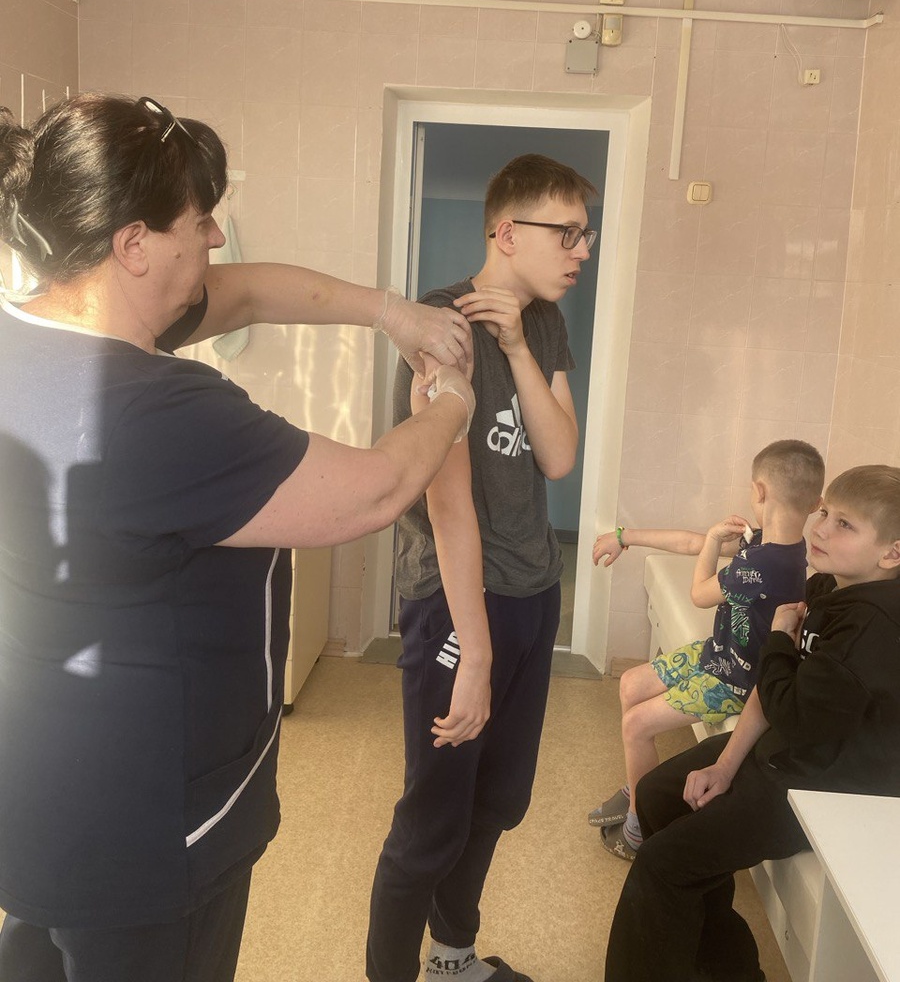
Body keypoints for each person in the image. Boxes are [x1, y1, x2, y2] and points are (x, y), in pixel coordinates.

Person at [0, 93, 475, 982]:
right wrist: (451, 401)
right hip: (152, 834)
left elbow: (249, 290)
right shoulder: (152, 411)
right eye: (200, 219)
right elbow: (375, 491)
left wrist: (391, 313)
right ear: (134, 244)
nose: (217, 237)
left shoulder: (27, 329)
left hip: (39, 794)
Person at [366, 153, 598, 982]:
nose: (581, 250)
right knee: (433, 818)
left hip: (534, 589)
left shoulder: (543, 323)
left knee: (497, 801)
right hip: (461, 600)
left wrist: (520, 348)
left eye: (586, 235)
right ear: (506, 232)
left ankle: (452, 959)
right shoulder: (440, 325)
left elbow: (559, 456)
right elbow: (448, 506)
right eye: (566, 232)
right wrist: (475, 653)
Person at [604, 463, 900, 982]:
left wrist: (780, 640)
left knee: (663, 864)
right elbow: (772, 686)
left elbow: (791, 707)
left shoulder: (871, 628)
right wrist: (723, 765)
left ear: (891, 554)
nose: (821, 529)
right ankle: (722, 964)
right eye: (825, 514)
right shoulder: (828, 585)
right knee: (655, 794)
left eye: (844, 524)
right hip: (790, 748)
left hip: (822, 786)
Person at [589, 440, 824, 861]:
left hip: (736, 681)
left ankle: (641, 825)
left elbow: (699, 594)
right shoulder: (777, 545)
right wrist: (625, 537)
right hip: (719, 652)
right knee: (631, 684)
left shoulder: (762, 565)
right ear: (814, 504)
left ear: (759, 491)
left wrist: (714, 541)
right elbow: (690, 543)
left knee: (636, 725)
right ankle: (638, 787)